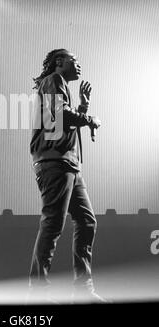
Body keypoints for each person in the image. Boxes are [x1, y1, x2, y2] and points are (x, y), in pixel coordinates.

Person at [29, 48, 105, 303]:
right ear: (59, 62)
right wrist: (89, 117)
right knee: (53, 223)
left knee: (87, 221)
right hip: (55, 163)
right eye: (74, 60)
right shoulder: (54, 81)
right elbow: (60, 116)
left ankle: (83, 291)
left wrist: (82, 107)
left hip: (68, 164)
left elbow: (63, 122)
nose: (78, 64)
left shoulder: (60, 86)